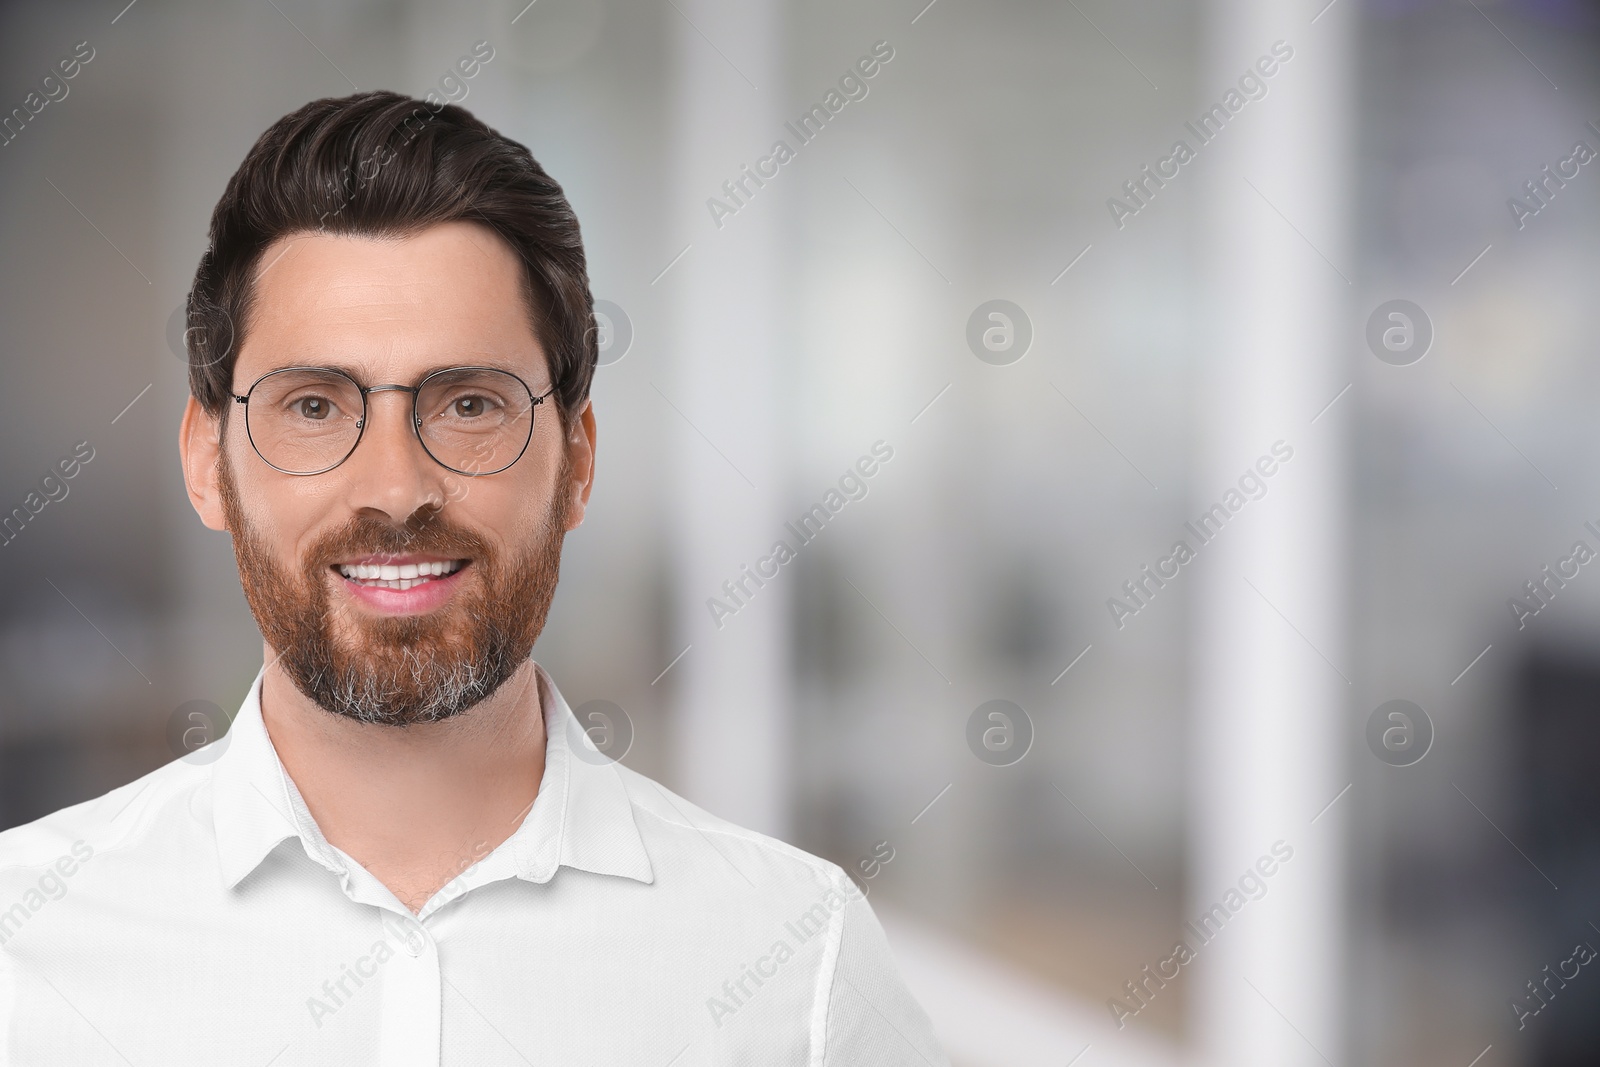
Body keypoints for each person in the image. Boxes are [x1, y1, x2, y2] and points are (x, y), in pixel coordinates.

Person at [0, 90, 947, 1066]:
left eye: (468, 403)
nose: (396, 487)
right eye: (316, 406)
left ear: (577, 461)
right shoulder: (21, 957)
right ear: (208, 462)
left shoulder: (796, 960)